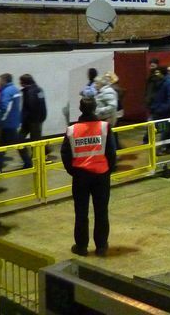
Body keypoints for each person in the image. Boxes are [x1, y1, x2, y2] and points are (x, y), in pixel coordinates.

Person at [61, 97, 117, 256]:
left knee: (81, 213)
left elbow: (65, 154)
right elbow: (111, 153)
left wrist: (74, 171)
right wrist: (107, 170)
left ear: (80, 109)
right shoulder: (104, 127)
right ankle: (101, 246)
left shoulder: (72, 130)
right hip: (101, 176)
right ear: (95, 108)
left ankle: (81, 247)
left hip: (80, 177)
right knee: (101, 212)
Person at [0, 73, 28, 170]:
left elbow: (5, 108)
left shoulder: (6, 91)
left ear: (4, 80)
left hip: (7, 123)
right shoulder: (15, 89)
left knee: (1, 147)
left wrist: (0, 121)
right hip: (14, 122)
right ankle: (27, 162)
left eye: (0, 80)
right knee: (18, 144)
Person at [18, 74, 46, 166]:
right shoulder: (39, 89)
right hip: (36, 120)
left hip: (32, 121)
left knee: (25, 141)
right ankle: (43, 152)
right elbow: (42, 106)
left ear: (24, 82)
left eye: (20, 81)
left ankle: (32, 162)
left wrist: (23, 119)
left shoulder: (29, 92)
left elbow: (31, 107)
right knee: (34, 141)